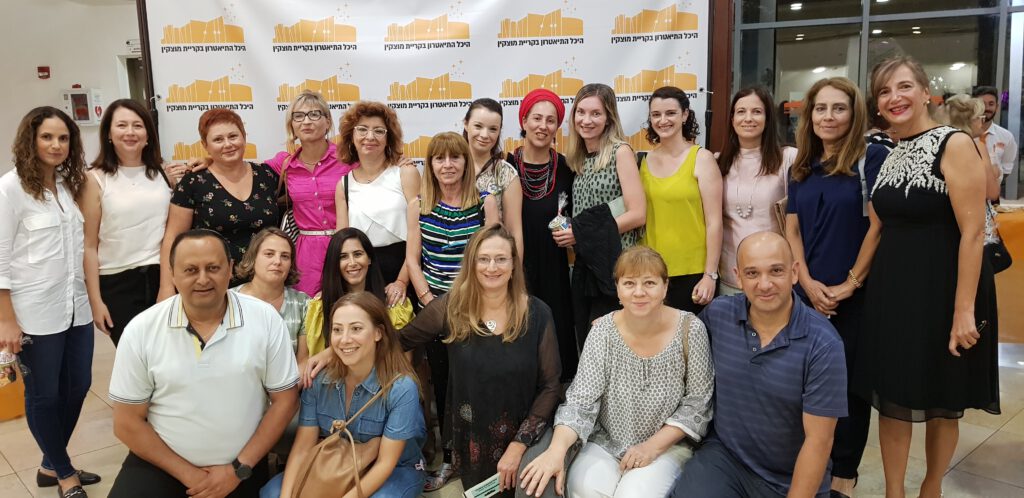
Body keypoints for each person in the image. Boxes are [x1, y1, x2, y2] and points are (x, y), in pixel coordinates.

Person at [853, 57, 999, 498]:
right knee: (892, 397)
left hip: (944, 291)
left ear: (924, 92)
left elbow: (973, 232)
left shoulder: (954, 143)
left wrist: (963, 310)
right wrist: (852, 281)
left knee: (942, 399)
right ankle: (894, 491)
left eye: (903, 87)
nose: (894, 98)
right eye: (883, 91)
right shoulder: (890, 151)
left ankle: (931, 487)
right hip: (895, 291)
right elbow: (879, 228)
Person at [108, 229, 299, 498]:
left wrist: (238, 469)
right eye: (190, 270)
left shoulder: (265, 319)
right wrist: (193, 477)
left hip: (240, 465)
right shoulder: (142, 330)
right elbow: (126, 422)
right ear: (172, 273)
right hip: (162, 462)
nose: (203, 279)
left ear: (230, 269)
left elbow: (285, 401)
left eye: (213, 268)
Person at [520, 246, 713, 498]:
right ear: (618, 289)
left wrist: (652, 448)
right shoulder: (603, 332)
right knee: (583, 488)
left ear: (665, 287)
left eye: (649, 283)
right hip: (607, 441)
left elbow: (698, 403)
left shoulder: (691, 330)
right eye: (629, 283)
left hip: (667, 446)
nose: (639, 292)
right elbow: (581, 399)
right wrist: (555, 452)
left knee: (634, 494)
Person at [671, 231, 847, 498]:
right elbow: (671, 342)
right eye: (752, 273)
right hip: (726, 460)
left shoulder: (823, 344)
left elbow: (819, 442)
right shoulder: (718, 315)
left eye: (776, 271)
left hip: (789, 477)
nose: (765, 285)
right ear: (738, 277)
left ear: (794, 273)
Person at [783, 76, 888, 496]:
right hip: (806, 295)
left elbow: (878, 227)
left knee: (847, 391)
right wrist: (806, 282)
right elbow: (792, 228)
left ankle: (844, 475)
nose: (828, 117)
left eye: (838, 108)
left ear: (854, 113)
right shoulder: (802, 165)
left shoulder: (872, 158)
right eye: (820, 108)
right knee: (803, 385)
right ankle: (809, 467)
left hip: (853, 298)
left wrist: (850, 284)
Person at [400, 225, 561, 495]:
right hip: (473, 448)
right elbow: (399, 342)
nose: (492, 267)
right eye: (483, 259)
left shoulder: (538, 313)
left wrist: (519, 444)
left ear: (513, 264)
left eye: (501, 259)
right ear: (471, 264)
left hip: (527, 441)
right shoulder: (450, 308)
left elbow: (551, 386)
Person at [0, 107, 98, 498]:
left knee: (79, 385)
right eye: (47, 137)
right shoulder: (10, 188)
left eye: (63, 138)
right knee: (44, 394)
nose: (56, 145)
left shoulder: (65, 185)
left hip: (76, 307)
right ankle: (64, 472)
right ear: (31, 140)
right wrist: (6, 319)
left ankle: (50, 464)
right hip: (34, 312)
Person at [261, 291, 426, 498]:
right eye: (337, 330)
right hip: (337, 465)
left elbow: (385, 463)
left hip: (394, 469)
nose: (345, 339)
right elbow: (303, 447)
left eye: (356, 328)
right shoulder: (318, 381)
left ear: (378, 333)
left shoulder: (401, 387)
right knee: (273, 493)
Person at [81, 99, 173, 346]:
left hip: (162, 277)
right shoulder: (94, 179)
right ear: (109, 134)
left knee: (169, 354)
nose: (130, 132)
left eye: (137, 125)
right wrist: (96, 301)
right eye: (122, 125)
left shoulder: (162, 173)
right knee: (134, 356)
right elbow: (89, 245)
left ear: (148, 135)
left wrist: (167, 284)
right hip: (117, 282)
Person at [159, 108, 280, 296]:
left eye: (233, 136)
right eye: (218, 139)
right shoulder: (193, 182)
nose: (228, 144)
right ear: (205, 145)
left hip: (266, 286)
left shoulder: (267, 175)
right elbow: (172, 238)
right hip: (212, 288)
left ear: (244, 137)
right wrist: (166, 288)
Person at [561, 83, 646, 346]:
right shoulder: (577, 159)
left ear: (609, 117)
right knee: (587, 344)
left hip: (616, 266)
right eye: (581, 112)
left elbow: (638, 214)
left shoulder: (621, 152)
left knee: (612, 344)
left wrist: (582, 233)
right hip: (586, 266)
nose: (586, 120)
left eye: (596, 113)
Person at [506, 88, 578, 381]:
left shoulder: (568, 168)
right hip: (512, 267)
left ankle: (557, 396)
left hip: (554, 269)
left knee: (555, 342)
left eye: (551, 120)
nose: (543, 126)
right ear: (523, 121)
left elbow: (580, 214)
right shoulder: (505, 166)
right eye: (536, 118)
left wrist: (574, 230)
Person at [639, 86, 722, 314]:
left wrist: (710, 275)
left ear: (685, 115)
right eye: (656, 114)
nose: (663, 120)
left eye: (670, 113)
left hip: (692, 274)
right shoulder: (643, 162)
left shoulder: (701, 159)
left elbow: (715, 222)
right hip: (651, 272)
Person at [266, 90, 353, 296]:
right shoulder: (285, 163)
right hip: (306, 254)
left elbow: (379, 168)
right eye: (298, 116)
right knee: (308, 309)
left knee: (347, 305)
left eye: (314, 114)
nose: (306, 121)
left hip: (346, 247)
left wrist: (403, 163)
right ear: (292, 125)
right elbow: (241, 169)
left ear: (327, 122)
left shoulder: (348, 158)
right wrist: (208, 161)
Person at [335, 101, 419, 307]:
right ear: (351, 136)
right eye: (362, 129)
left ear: (388, 138)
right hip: (362, 274)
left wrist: (402, 281)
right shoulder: (344, 184)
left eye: (379, 131)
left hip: (405, 269)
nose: (370, 137)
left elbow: (420, 232)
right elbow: (342, 243)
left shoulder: (405, 173)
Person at [717, 87, 797, 296]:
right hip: (731, 274)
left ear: (768, 118)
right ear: (732, 119)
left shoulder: (788, 159)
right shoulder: (718, 163)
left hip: (773, 277)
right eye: (741, 112)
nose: (748, 118)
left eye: (757, 112)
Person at [301, 227, 415, 371]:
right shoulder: (319, 308)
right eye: (343, 257)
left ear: (369, 258)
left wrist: (331, 352)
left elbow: (403, 365)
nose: (352, 262)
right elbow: (309, 363)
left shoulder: (394, 306)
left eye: (358, 254)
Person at [407, 131, 499, 305]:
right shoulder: (417, 207)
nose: (447, 165)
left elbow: (493, 258)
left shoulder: (486, 204)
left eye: (455, 157)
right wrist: (430, 302)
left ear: (466, 163)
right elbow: (412, 260)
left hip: (475, 302)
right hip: (431, 303)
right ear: (431, 165)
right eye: (440, 158)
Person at [233, 227, 310, 356]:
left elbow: (303, 361)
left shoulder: (303, 303)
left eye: (285, 256)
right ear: (253, 257)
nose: (277, 261)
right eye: (269, 254)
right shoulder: (228, 300)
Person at [463, 98, 524, 256]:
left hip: (491, 261)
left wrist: (515, 268)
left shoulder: (506, 173)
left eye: (493, 129)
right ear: (465, 124)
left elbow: (514, 232)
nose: (484, 135)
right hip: (447, 261)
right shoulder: (449, 166)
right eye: (478, 126)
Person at [971, 85, 1018, 182]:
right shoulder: (961, 134)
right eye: (982, 104)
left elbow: (1006, 168)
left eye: (991, 104)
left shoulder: (1006, 137)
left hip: (992, 189)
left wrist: (992, 183)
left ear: (996, 107)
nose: (987, 108)